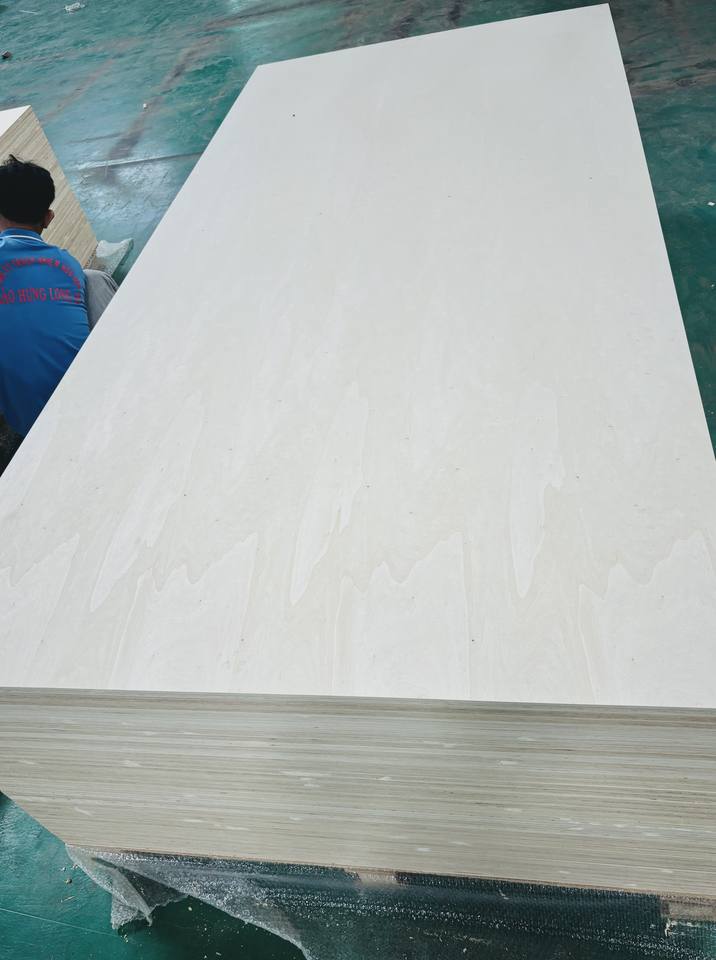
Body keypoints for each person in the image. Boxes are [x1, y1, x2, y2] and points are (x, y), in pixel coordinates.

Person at [0, 154, 117, 443]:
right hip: (100, 400)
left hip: (29, 423)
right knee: (94, 278)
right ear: (48, 218)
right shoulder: (66, 263)